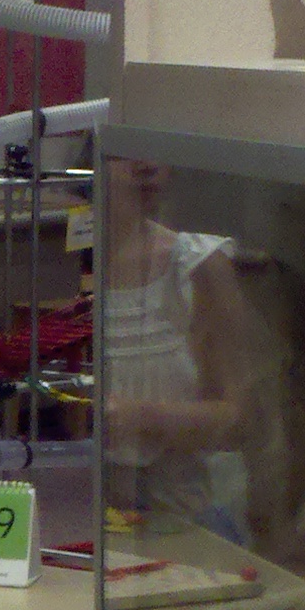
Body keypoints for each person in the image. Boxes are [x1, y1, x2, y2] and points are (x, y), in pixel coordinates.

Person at [98, 156, 254, 539]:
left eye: (156, 148)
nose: (146, 165)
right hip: (80, 516)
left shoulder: (199, 266)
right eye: (123, 150)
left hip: (181, 517)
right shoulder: (54, 265)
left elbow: (240, 418)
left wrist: (144, 417)